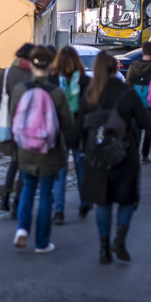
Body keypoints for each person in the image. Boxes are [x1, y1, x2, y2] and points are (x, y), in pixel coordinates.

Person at [79, 51, 151, 264]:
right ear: (115, 70)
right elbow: (146, 122)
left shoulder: (90, 94)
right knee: (127, 199)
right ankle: (119, 239)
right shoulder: (126, 94)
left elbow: (81, 126)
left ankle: (103, 249)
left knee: (103, 202)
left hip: (97, 154)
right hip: (124, 153)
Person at [10, 46, 74, 254]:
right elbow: (67, 123)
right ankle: (42, 242)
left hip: (26, 149)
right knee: (46, 194)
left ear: (31, 64)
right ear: (50, 66)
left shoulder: (20, 89)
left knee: (28, 188)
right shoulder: (56, 93)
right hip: (49, 150)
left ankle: (21, 229)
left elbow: (14, 119)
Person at [0, 43, 34, 218]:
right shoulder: (33, 76)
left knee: (14, 163)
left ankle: (5, 198)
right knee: (23, 165)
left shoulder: (6, 73)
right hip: (27, 126)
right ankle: (17, 205)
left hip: (9, 124)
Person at [50, 45, 89, 224]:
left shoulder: (52, 80)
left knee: (60, 171)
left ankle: (59, 210)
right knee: (81, 169)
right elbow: (88, 108)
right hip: (78, 130)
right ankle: (84, 203)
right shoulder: (84, 81)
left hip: (58, 129)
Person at [125, 41, 151, 164]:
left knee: (136, 130)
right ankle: (145, 155)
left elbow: (128, 83)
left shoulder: (134, 66)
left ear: (142, 50)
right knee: (149, 129)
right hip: (149, 104)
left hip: (135, 102)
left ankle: (134, 154)